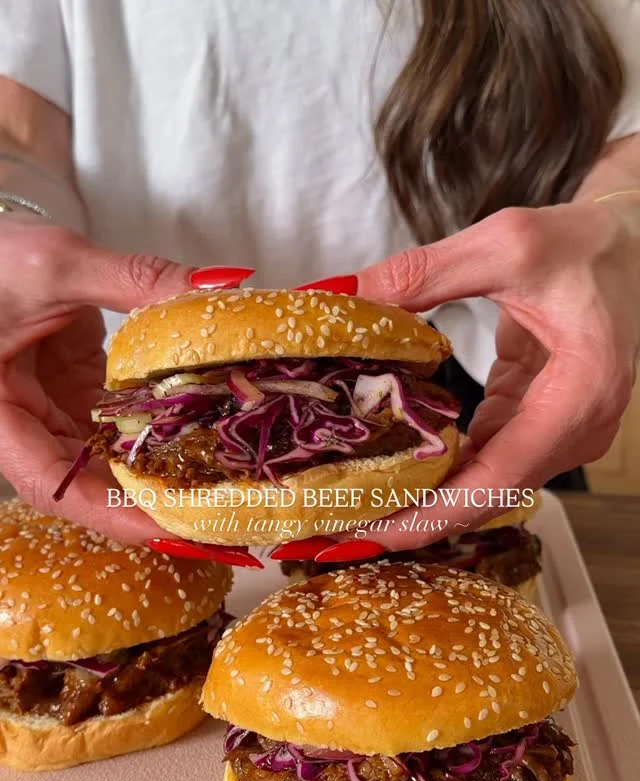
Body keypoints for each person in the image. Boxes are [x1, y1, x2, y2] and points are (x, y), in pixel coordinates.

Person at [0, 0, 638, 547]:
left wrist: (621, 222)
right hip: (119, 389)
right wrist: (11, 218)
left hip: (493, 390)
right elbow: (16, 132)